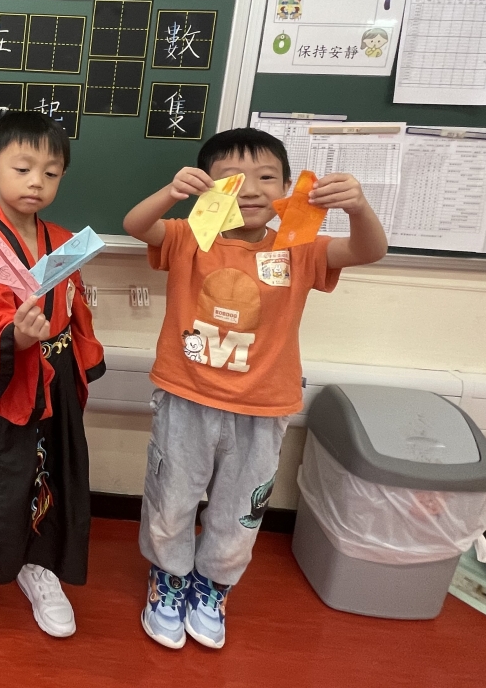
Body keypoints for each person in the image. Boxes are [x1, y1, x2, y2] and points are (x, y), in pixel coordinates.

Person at [123, 127, 387, 650]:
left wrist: (358, 207)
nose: (250, 189)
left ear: (288, 188)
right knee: (172, 499)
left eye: (267, 177)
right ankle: (168, 579)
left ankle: (213, 586)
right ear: (207, 188)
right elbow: (136, 226)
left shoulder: (299, 247)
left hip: (264, 408)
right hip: (186, 397)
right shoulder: (189, 237)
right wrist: (172, 193)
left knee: (240, 509)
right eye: (232, 178)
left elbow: (368, 250)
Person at [0, 111, 106, 641]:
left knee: (49, 470)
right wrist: (16, 337)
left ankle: (37, 563)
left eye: (51, 173)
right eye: (23, 168)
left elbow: (77, 308)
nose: (37, 181)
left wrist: (76, 351)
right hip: (5, 379)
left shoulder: (66, 240)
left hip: (55, 376)